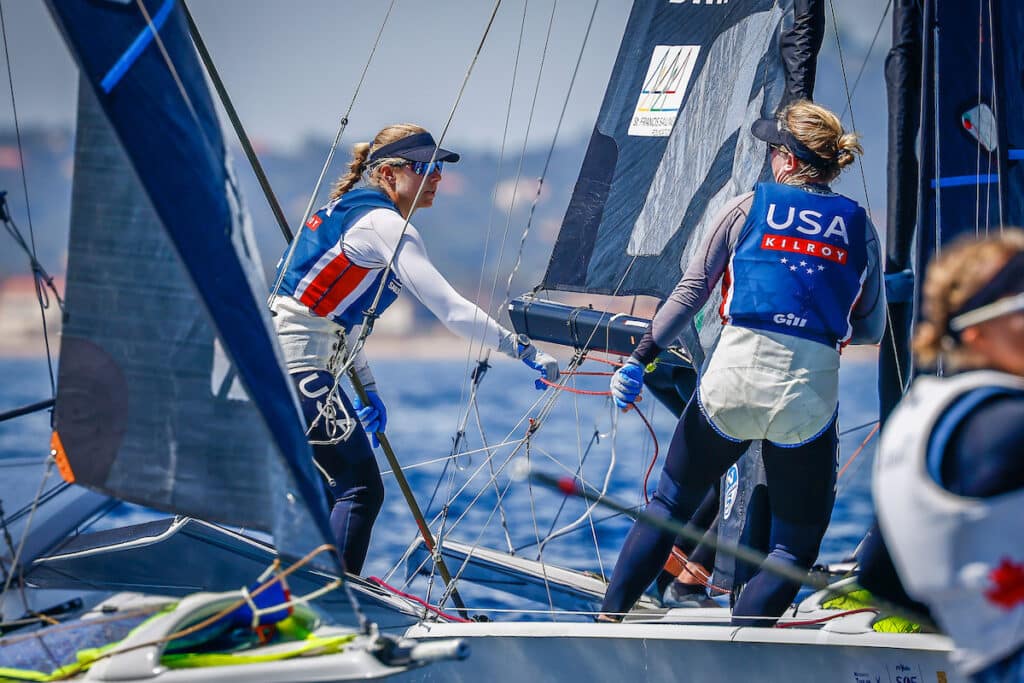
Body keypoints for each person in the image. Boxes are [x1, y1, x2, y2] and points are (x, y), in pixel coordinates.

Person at [599, 100, 885, 625]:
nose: (771, 157)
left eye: (775, 149)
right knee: (792, 550)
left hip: (732, 383)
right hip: (806, 397)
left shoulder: (745, 206)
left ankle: (607, 620)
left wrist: (640, 360)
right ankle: (744, 646)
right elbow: (869, 327)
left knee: (668, 508)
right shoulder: (861, 227)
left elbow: (690, 294)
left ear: (791, 161)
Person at [270, 124, 559, 575]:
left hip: (290, 363)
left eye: (439, 169)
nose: (437, 178)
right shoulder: (385, 225)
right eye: (424, 168)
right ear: (388, 174)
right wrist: (523, 350)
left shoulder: (352, 213)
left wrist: (368, 387)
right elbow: (451, 309)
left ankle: (298, 589)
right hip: (296, 366)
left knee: (329, 488)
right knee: (361, 489)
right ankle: (337, 602)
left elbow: (333, 319)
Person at [872, 230, 1024, 682]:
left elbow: (879, 573)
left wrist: (975, 621)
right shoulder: (1005, 424)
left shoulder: (919, 414)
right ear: (975, 330)